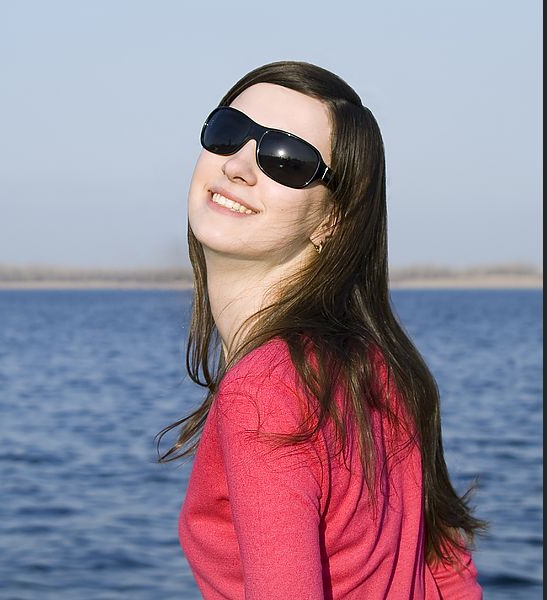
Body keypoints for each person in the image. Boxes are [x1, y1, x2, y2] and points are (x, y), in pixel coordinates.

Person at [156, 60, 486, 599]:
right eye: (228, 132)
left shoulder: (264, 391)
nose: (239, 165)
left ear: (333, 220)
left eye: (287, 160)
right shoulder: (380, 364)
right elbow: (447, 571)